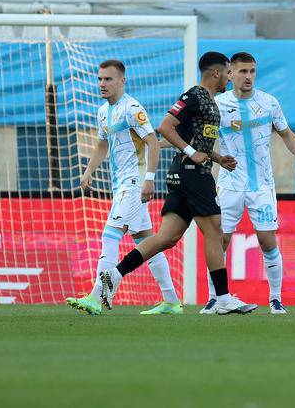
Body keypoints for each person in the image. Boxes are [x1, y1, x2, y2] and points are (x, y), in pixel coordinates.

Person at [90, 52, 258, 316]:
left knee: (166, 238)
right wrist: (193, 154)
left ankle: (114, 274)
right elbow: (165, 126)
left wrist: (217, 158)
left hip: (186, 172)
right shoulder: (194, 96)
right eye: (228, 72)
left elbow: (190, 137)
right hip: (192, 173)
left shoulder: (209, 102)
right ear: (216, 73)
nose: (230, 77)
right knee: (215, 231)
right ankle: (223, 299)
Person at [64, 59, 180, 316]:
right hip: (121, 184)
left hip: (134, 183)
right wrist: (89, 170)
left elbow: (153, 141)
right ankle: (171, 300)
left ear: (122, 80)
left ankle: (95, 296)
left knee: (109, 235)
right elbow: (102, 145)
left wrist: (149, 177)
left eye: (108, 79)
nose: (102, 83)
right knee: (148, 241)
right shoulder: (103, 111)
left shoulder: (132, 108)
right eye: (100, 79)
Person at [215, 53, 295, 315]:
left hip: (262, 185)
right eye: (243, 72)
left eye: (252, 71)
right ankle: (216, 298)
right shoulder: (218, 105)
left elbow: (285, 133)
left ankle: (275, 298)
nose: (248, 77)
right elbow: (196, 136)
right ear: (231, 74)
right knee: (220, 240)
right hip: (230, 183)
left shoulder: (268, 103)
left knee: (267, 240)